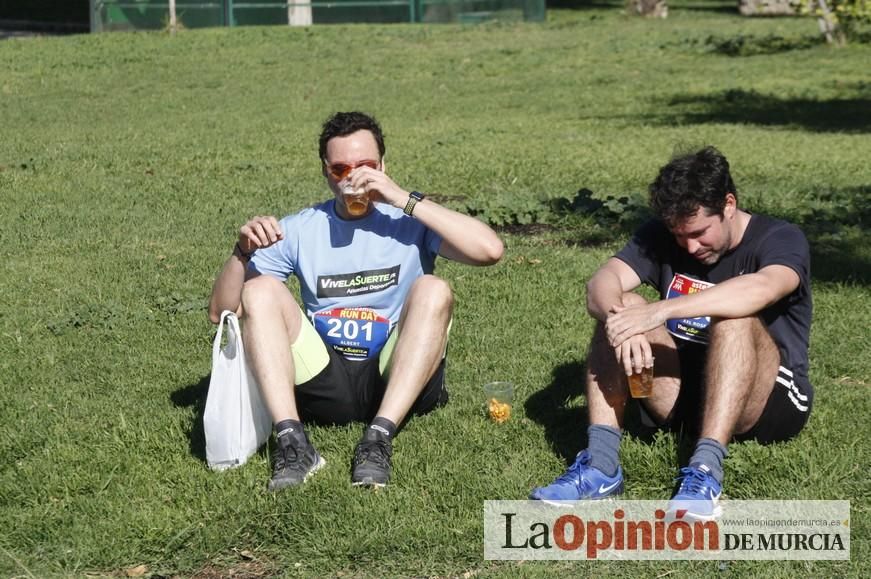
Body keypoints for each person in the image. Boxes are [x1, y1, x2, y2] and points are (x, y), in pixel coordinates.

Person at [208, 111, 504, 491]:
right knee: (259, 290)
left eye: (366, 165)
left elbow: (490, 250)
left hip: (397, 374)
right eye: (340, 168)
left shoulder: (407, 219)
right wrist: (241, 253)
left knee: (434, 289)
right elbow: (221, 312)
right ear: (325, 171)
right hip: (326, 379)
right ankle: (293, 443)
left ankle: (378, 438)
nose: (353, 177)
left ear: (383, 165)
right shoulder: (301, 228)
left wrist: (400, 197)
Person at [529, 146, 813, 518]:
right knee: (621, 305)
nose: (690, 246)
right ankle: (601, 466)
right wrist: (625, 323)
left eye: (699, 233)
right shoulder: (664, 234)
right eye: (680, 236)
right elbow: (601, 282)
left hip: (765, 405)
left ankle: (705, 470)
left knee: (734, 316)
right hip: (680, 399)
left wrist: (659, 311)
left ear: (729, 204)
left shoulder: (781, 238)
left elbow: (761, 289)